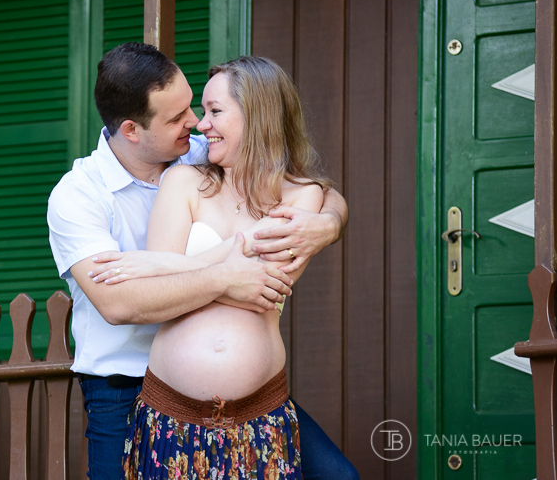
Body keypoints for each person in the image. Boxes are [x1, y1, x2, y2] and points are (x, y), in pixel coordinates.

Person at [47, 43, 357, 479]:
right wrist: (228, 273)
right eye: (178, 118)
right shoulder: (77, 196)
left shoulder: (198, 154)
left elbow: (308, 187)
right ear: (133, 130)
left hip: (247, 395)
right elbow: (120, 304)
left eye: (195, 108)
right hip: (123, 386)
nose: (195, 124)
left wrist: (330, 221)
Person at [123, 55, 340, 478]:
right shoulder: (183, 182)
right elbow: (159, 294)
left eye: (215, 111)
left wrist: (168, 266)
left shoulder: (304, 198)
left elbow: (266, 283)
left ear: (257, 115)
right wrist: (219, 275)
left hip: (261, 420)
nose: (202, 125)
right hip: (170, 415)